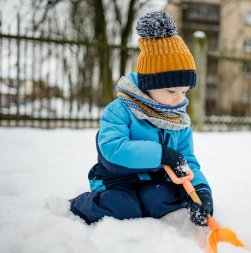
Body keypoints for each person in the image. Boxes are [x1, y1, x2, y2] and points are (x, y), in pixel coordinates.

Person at [70, 10, 213, 226]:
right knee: (124, 208)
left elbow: (187, 160)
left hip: (153, 181)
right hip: (117, 179)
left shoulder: (178, 119)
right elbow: (112, 148)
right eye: (172, 91)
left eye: (184, 92)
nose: (179, 99)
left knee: (160, 200)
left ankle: (150, 202)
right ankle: (79, 204)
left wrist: (201, 191)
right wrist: (162, 154)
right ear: (149, 86)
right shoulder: (119, 110)